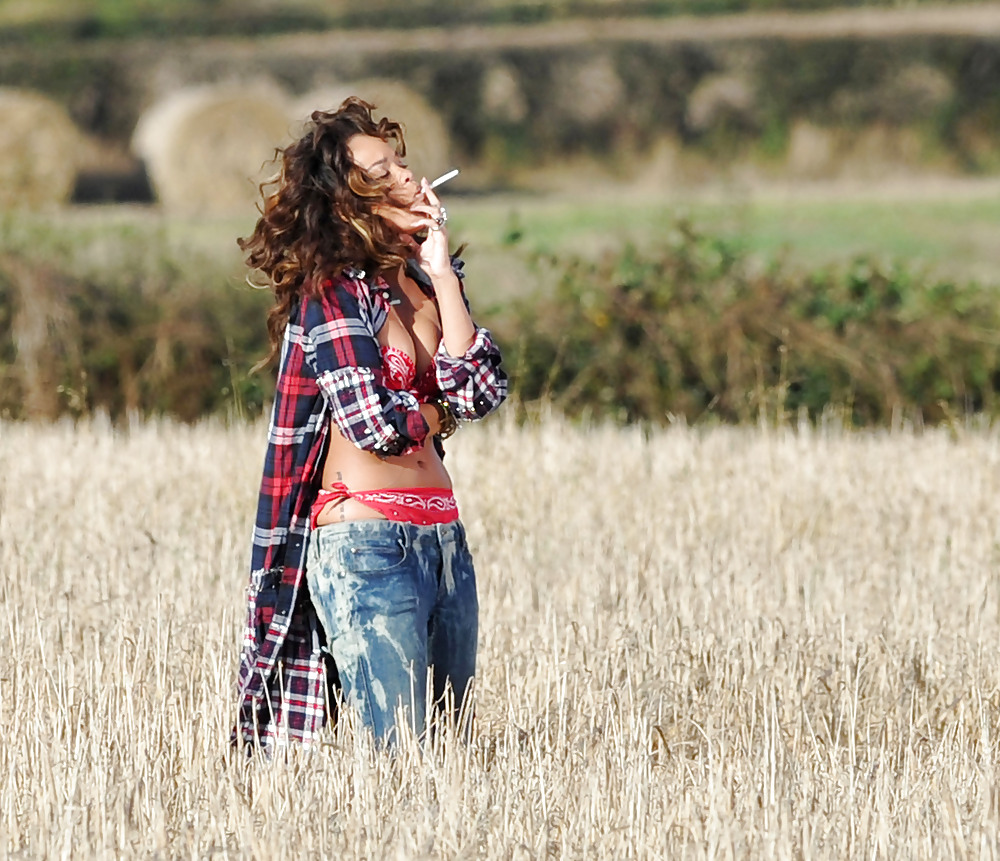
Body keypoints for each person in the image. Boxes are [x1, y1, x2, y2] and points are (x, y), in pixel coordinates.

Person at [233, 98, 507, 750]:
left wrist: (441, 273)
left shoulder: (425, 281)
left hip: (442, 538)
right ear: (350, 201)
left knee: (451, 751)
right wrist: (443, 409)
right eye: (384, 172)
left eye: (404, 163)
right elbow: (373, 423)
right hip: (364, 546)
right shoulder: (330, 294)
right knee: (403, 756)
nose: (410, 178)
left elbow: (485, 384)